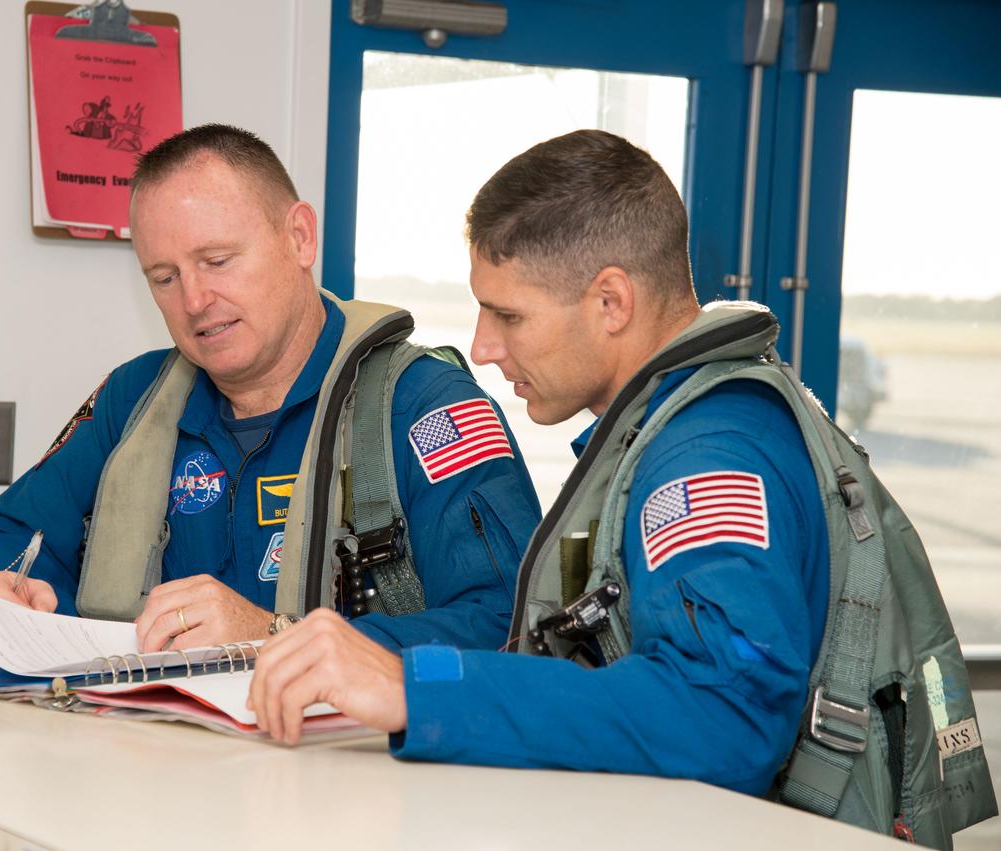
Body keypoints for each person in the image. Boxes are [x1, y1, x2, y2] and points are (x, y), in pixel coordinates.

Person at [248, 128, 829, 785]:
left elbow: (726, 714)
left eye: (508, 315)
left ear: (611, 302)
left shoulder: (706, 457)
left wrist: (419, 691)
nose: (482, 345)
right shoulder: (665, 433)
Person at [0, 124, 541, 654]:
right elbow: (8, 536)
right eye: (165, 278)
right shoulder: (132, 400)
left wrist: (273, 636)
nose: (193, 301)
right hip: (142, 754)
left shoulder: (425, 405)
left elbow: (507, 625)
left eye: (217, 260)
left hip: (338, 763)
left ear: (300, 239)